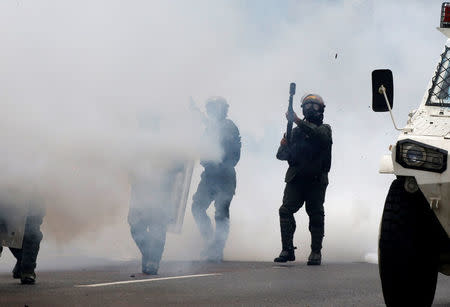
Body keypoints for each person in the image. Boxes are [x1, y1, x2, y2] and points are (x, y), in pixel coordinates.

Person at [274, 93, 332, 265]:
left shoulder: (325, 129)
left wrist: (297, 120)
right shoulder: (295, 131)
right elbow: (281, 156)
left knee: (315, 215)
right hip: (296, 179)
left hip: (316, 180)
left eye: (314, 106)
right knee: (285, 211)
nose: (310, 109)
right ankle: (287, 249)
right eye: (307, 106)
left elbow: (320, 137)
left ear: (321, 110)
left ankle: (316, 252)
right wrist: (284, 145)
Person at [191, 96, 241, 262]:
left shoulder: (229, 126)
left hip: (224, 176)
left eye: (213, 108)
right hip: (209, 176)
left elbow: (222, 136)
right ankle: (211, 242)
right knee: (197, 207)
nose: (211, 112)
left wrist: (200, 117)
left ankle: (217, 249)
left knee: (221, 214)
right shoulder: (211, 127)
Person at [128, 162, 185, 275]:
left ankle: (153, 261)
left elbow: (180, 166)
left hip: (161, 196)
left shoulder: (170, 150)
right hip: (141, 195)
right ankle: (150, 256)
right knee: (136, 228)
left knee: (157, 230)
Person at [1, 200, 45, 284]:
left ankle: (27, 269)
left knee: (32, 230)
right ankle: (24, 264)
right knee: (5, 229)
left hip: (30, 198)